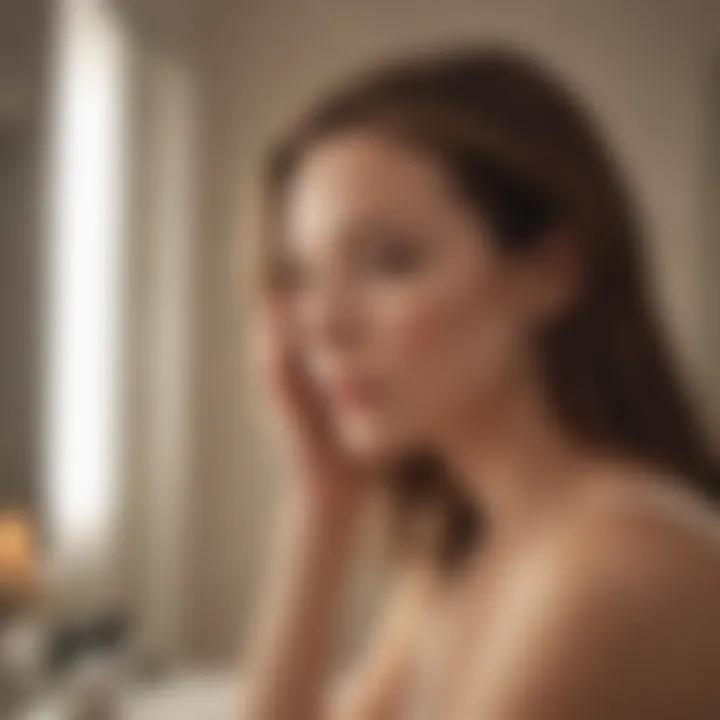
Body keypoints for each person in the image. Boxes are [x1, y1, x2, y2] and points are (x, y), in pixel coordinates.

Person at [241, 44, 720, 720]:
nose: (321, 325)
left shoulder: (612, 576)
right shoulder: (466, 549)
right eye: (302, 274)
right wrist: (321, 502)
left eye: (389, 262)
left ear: (551, 270)